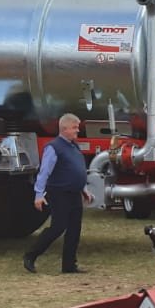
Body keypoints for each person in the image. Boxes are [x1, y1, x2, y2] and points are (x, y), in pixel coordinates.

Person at [24, 113, 93, 274]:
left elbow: (77, 170)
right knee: (58, 227)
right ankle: (31, 255)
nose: (78, 131)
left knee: (75, 229)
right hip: (59, 193)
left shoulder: (73, 146)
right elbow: (44, 173)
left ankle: (69, 265)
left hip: (74, 193)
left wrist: (84, 190)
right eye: (75, 127)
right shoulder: (53, 147)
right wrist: (38, 195)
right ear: (64, 128)